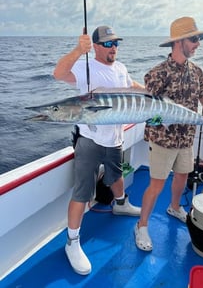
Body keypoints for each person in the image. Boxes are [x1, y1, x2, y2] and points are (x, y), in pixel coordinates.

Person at [53, 26, 143, 275]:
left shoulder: (121, 68)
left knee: (116, 176)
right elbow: (58, 73)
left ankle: (121, 204)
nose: (113, 47)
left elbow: (132, 85)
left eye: (116, 43)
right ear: (95, 46)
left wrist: (153, 96)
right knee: (83, 192)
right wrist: (77, 50)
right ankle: (72, 242)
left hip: (115, 138)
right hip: (90, 140)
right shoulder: (85, 67)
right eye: (107, 43)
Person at [134, 16, 203, 252]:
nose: (198, 44)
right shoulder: (157, 73)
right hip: (163, 140)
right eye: (194, 39)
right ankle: (141, 226)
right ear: (178, 42)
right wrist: (151, 117)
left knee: (183, 175)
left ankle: (174, 207)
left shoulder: (196, 71)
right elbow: (146, 106)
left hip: (186, 138)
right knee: (157, 184)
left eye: (199, 39)